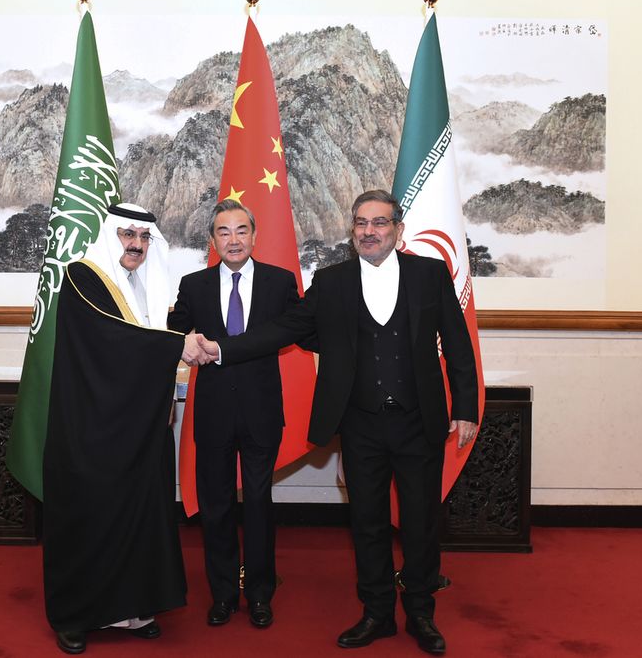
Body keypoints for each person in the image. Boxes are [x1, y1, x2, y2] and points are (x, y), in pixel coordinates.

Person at [197, 190, 478, 655]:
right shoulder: (332, 282)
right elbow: (286, 330)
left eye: (379, 223)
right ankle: (377, 613)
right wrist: (223, 348)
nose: (369, 231)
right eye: (361, 223)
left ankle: (422, 613)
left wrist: (465, 406)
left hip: (419, 421)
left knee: (420, 522)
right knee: (366, 523)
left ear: (398, 230)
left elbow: (457, 340)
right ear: (352, 231)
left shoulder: (430, 275)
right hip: (360, 424)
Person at [42, 202, 207, 655]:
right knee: (90, 514)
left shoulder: (144, 286)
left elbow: (140, 344)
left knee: (141, 513)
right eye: (126, 235)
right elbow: (111, 339)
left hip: (139, 424)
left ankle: (132, 608)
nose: (135, 245)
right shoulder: (83, 276)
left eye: (143, 238)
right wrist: (179, 345)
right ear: (110, 235)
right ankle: (75, 615)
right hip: (91, 427)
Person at [168, 200, 303, 629]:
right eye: (223, 232)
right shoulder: (193, 285)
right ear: (213, 241)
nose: (233, 239)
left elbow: (292, 331)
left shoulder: (281, 283)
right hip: (212, 413)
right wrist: (184, 341)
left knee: (260, 504)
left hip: (263, 411)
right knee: (217, 507)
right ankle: (223, 594)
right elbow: (174, 333)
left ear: (254, 236)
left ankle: (261, 595)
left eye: (241, 230)